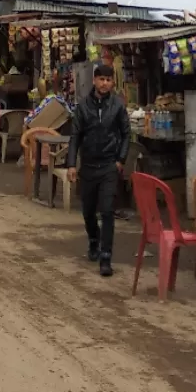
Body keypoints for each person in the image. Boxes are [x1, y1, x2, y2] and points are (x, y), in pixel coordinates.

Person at [66, 62, 130, 279]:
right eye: (101, 79)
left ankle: (106, 257)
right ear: (94, 81)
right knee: (88, 211)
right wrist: (72, 164)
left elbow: (126, 134)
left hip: (109, 166)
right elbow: (75, 137)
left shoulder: (118, 106)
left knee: (108, 211)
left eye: (108, 80)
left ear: (113, 82)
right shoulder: (83, 107)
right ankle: (94, 239)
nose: (105, 83)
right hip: (89, 166)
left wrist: (121, 159)